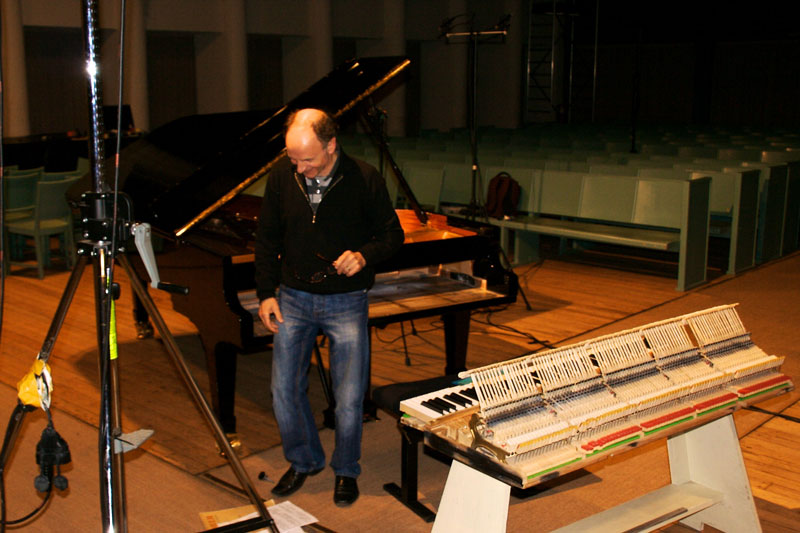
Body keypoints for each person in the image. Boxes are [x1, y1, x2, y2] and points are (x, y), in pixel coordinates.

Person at [254, 108, 404, 506]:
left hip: (346, 300)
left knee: (350, 397)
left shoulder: (364, 178)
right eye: (292, 159)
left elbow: (392, 234)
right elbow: (267, 238)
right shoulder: (281, 178)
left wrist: (364, 255)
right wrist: (266, 292)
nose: (299, 168)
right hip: (293, 298)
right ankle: (304, 461)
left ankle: (346, 469)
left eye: (308, 159)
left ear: (332, 145)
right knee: (283, 391)